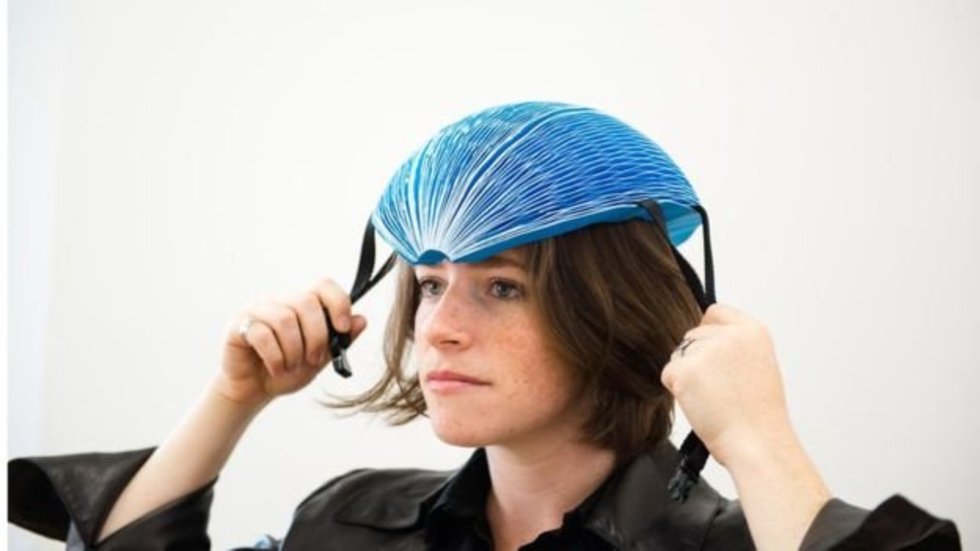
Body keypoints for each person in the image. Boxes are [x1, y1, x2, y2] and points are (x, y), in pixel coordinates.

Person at [9, 102, 960, 550]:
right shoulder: (349, 522)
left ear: (614, 312)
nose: (440, 329)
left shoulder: (735, 546)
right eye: (430, 284)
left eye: (502, 287)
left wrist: (756, 438)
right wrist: (233, 398)